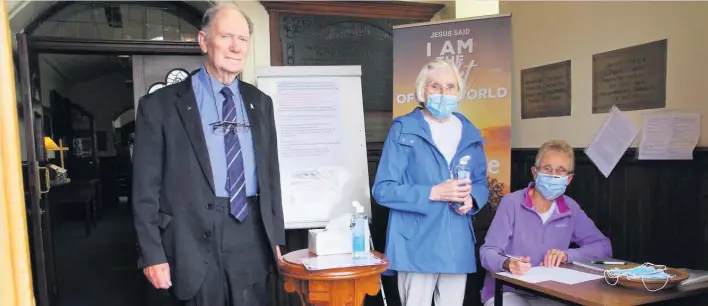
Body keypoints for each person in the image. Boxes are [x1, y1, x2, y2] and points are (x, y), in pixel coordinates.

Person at [131, 3, 285, 306]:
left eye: (242, 39)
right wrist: (151, 253)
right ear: (203, 41)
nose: (235, 47)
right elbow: (144, 190)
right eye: (226, 36)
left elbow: (271, 177)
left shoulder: (260, 103)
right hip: (190, 241)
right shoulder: (159, 106)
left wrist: (276, 238)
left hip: (251, 235)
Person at [372, 59, 489, 306]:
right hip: (415, 243)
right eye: (436, 86)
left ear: (459, 91)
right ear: (422, 91)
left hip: (456, 243)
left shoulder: (470, 132)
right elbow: (383, 190)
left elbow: (480, 183)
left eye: (450, 86)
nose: (444, 93)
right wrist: (433, 192)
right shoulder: (404, 129)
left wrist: (472, 198)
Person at [479, 140, 612, 306]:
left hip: (551, 293)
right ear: (535, 173)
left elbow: (603, 247)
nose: (553, 175)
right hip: (507, 292)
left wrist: (567, 255)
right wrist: (507, 264)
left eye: (560, 171)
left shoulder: (570, 208)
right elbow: (487, 252)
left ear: (569, 179)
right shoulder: (511, 203)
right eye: (547, 169)